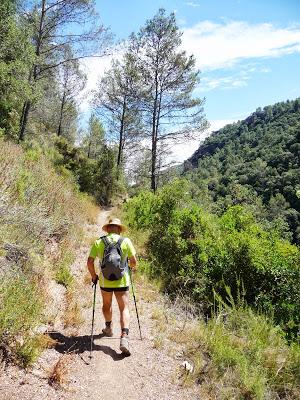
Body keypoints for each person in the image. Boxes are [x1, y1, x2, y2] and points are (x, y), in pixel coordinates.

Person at [87, 217, 137, 356]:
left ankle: (108, 328)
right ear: (119, 229)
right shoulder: (126, 241)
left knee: (106, 304)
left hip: (105, 281)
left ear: (107, 229)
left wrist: (94, 276)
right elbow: (134, 262)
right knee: (124, 308)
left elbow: (90, 262)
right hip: (122, 281)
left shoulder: (99, 242)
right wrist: (130, 267)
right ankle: (124, 337)